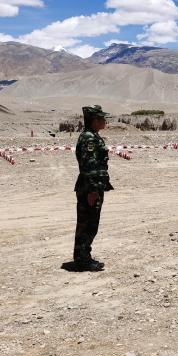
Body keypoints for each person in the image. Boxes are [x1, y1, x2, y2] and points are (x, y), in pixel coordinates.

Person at [72, 105, 113, 272]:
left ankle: (83, 256)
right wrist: (92, 190)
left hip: (92, 186)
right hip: (89, 188)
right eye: (102, 118)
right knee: (88, 224)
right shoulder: (89, 138)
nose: (105, 121)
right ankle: (82, 260)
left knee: (89, 224)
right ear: (94, 120)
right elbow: (88, 166)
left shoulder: (92, 136)